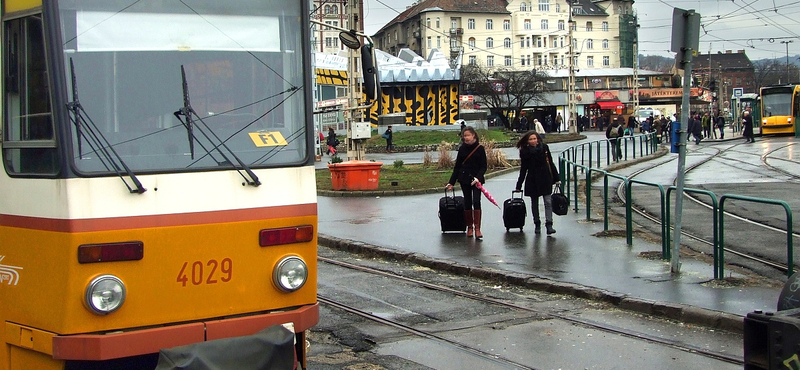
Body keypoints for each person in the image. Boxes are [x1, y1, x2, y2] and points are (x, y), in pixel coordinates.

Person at [515, 131, 560, 235]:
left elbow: (550, 162)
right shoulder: (524, 151)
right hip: (532, 179)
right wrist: (519, 185)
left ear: (538, 139)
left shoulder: (544, 148)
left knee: (548, 202)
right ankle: (537, 223)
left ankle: (549, 224)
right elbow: (523, 169)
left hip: (545, 177)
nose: (533, 141)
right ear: (527, 141)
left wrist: (557, 178)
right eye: (530, 139)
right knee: (534, 203)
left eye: (534, 139)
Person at [446, 127, 487, 239]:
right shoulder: (462, 149)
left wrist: (478, 178)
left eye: (468, 135)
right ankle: (470, 227)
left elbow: (484, 166)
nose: (466, 138)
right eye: (464, 136)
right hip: (464, 178)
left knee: (476, 201)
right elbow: (457, 167)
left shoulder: (480, 148)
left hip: (476, 180)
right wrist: (451, 182)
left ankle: (478, 228)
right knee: (467, 202)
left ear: (474, 135)